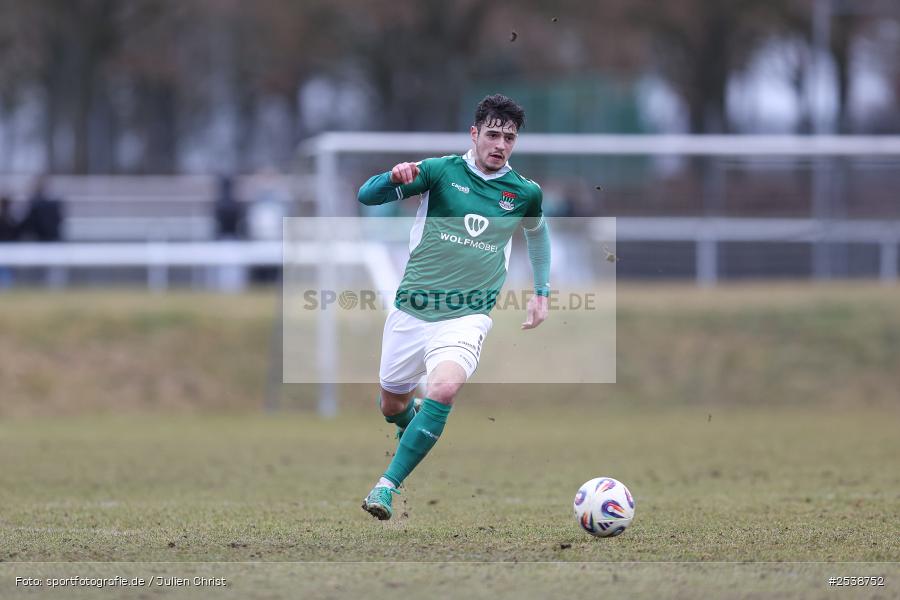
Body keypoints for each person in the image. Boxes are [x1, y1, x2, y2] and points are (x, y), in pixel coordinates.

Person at [356, 94, 551, 520]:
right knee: (392, 405)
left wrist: (542, 292)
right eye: (494, 134)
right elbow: (367, 196)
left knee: (443, 389)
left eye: (510, 138)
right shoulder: (440, 172)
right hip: (412, 309)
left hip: (466, 315)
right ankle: (417, 430)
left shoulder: (523, 193)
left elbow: (537, 234)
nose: (500, 144)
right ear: (475, 133)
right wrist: (392, 177)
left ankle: (386, 486)